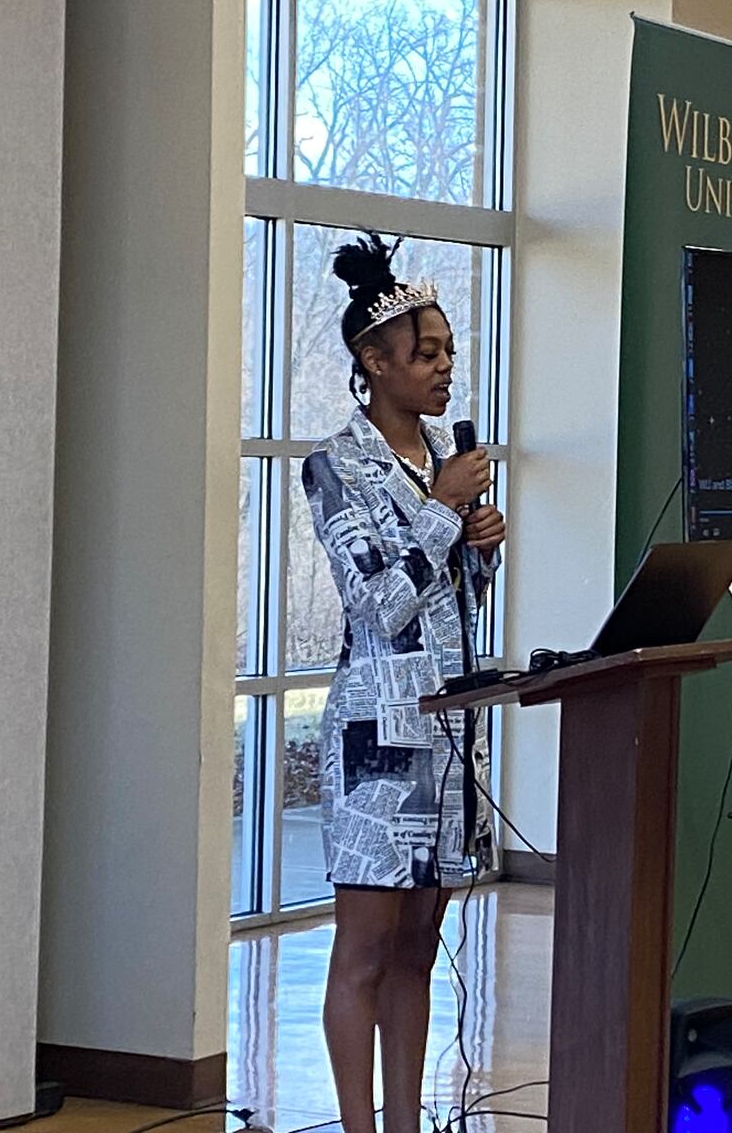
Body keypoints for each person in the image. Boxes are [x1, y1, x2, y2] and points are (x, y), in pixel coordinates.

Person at [302, 233, 506, 1133]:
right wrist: (441, 513)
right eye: (426, 355)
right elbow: (379, 602)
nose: (444, 370)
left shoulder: (439, 465)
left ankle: (404, 1123)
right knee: (368, 949)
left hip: (447, 734)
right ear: (372, 361)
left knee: (421, 945)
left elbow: (445, 602)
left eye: (450, 353)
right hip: (378, 740)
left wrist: (480, 551)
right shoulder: (336, 466)